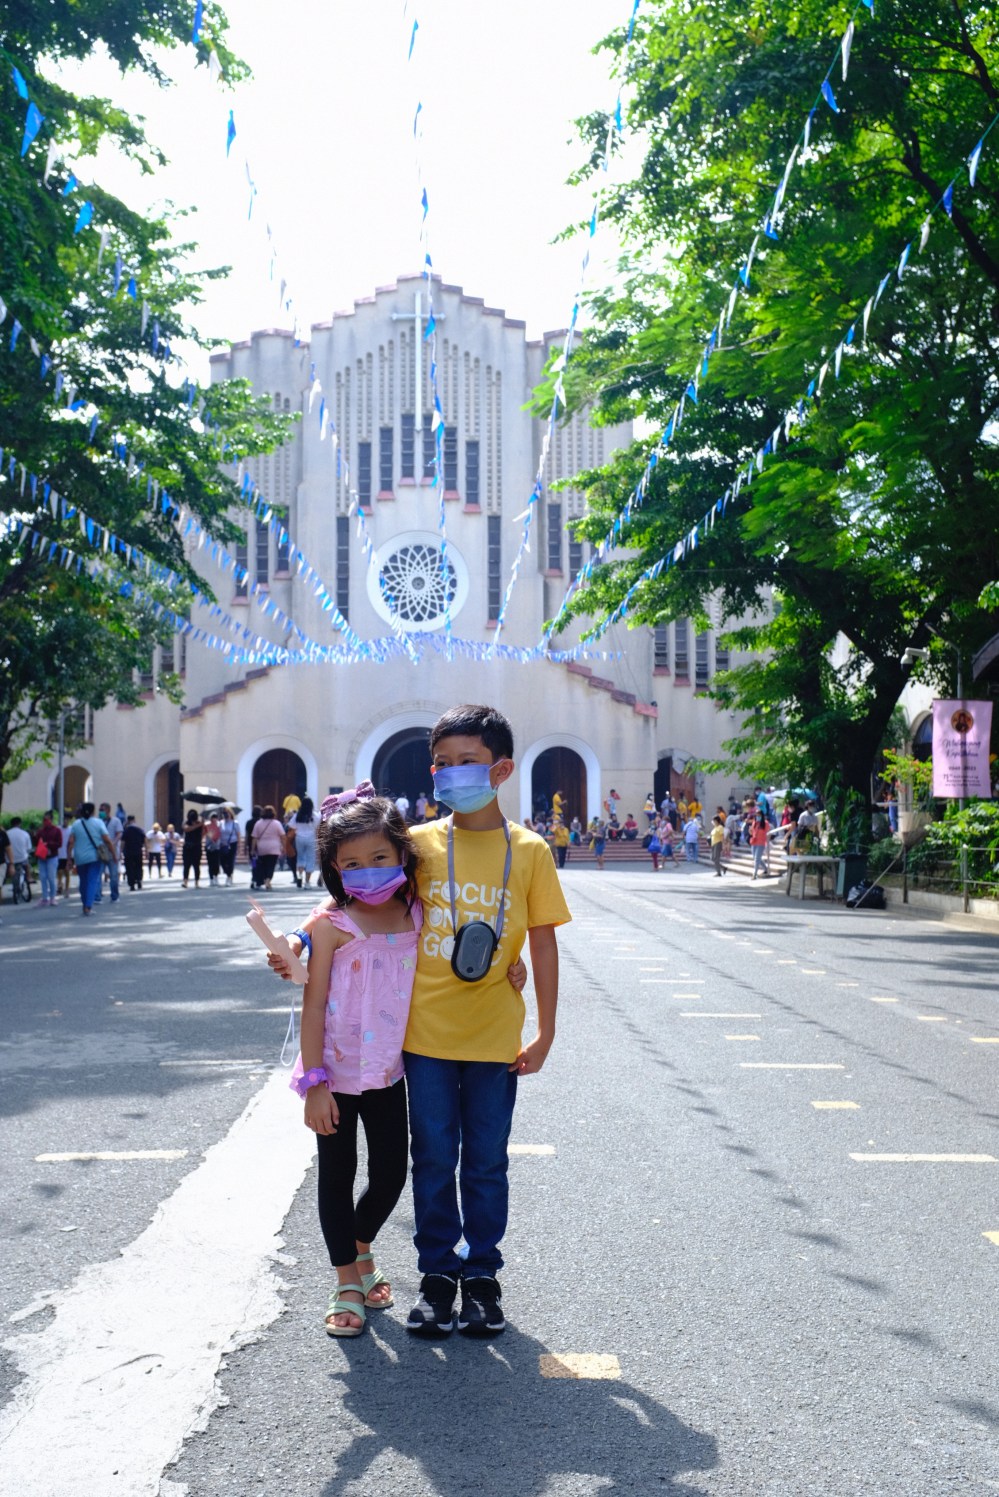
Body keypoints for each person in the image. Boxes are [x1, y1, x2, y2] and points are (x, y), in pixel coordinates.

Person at [276, 705, 569, 1340]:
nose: (453, 773)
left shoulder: (530, 851)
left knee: (486, 1161)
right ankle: (437, 1276)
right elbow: (354, 888)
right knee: (432, 1160)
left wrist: (545, 1030)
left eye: (469, 761)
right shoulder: (422, 845)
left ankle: (482, 1276)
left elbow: (543, 943)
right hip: (422, 1039)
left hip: (495, 1036)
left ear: (501, 769)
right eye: (443, 763)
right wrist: (298, 938)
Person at [290, 790, 422, 1337]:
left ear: (402, 855)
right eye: (351, 864)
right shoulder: (331, 925)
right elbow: (313, 1003)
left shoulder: (420, 913)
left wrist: (513, 971)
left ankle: (361, 1246)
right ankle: (347, 1278)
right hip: (336, 1075)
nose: (367, 871)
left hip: (390, 1073)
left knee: (391, 1175)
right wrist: (314, 1083)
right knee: (336, 1176)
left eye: (379, 858)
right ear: (333, 868)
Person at [67, 802, 115, 915]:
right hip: (94, 857)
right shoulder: (98, 823)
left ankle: (84, 903)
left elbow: (70, 842)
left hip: (79, 858)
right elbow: (107, 840)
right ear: (93, 811)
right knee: (92, 881)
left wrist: (69, 858)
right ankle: (88, 906)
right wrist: (113, 854)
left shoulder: (76, 824)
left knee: (83, 881)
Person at [251, 805, 285, 890]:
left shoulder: (258, 823)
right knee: (271, 865)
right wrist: (284, 847)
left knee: (263, 865)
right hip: (274, 848)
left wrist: (252, 849)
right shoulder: (277, 823)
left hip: (262, 848)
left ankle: (265, 879)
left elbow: (254, 837)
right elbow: (282, 836)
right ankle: (268, 880)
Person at [97, 803, 122, 904]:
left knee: (114, 875)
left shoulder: (116, 821)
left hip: (112, 851)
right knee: (98, 875)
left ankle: (114, 896)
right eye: (100, 810)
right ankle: (97, 896)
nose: (100, 812)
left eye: (102, 810)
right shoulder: (97, 822)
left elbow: (119, 833)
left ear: (108, 810)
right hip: (100, 851)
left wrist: (113, 843)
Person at [36, 812, 62, 906]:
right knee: (43, 877)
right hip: (42, 856)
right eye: (44, 820)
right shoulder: (40, 831)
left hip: (52, 856)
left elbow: (59, 843)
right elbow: (36, 842)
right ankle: (44, 897)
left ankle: (52, 897)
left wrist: (49, 844)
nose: (45, 822)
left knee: (51, 877)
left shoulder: (56, 830)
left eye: (47, 819)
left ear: (51, 820)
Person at [7, 818, 32, 896]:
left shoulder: (7, 833)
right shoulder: (25, 834)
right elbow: (29, 848)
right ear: (20, 824)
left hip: (9, 859)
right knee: (27, 864)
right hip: (22, 858)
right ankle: (29, 877)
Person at [121, 815, 146, 890]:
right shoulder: (139, 829)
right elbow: (145, 840)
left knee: (129, 867)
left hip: (128, 852)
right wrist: (147, 850)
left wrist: (121, 851)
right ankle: (139, 879)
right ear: (134, 820)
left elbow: (123, 842)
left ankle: (131, 884)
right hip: (138, 851)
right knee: (138, 866)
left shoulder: (126, 830)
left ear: (128, 821)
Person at [182, 810, 204, 888]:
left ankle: (196, 882)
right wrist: (199, 825)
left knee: (197, 866)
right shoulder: (186, 823)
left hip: (197, 847)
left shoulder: (200, 823)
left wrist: (202, 822)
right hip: (187, 847)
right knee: (186, 865)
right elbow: (186, 829)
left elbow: (203, 833)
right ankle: (185, 882)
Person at [218, 807, 240, 884]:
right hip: (222, 844)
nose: (226, 815)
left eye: (227, 813)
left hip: (232, 843)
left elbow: (238, 834)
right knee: (222, 861)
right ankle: (227, 873)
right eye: (224, 813)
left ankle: (229, 876)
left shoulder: (235, 823)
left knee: (230, 861)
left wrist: (239, 845)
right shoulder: (221, 823)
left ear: (230, 814)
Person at [749, 810, 771, 879]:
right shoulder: (754, 822)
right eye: (756, 815)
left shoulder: (765, 823)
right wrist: (750, 831)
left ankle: (754, 874)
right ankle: (765, 868)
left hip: (761, 843)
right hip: (754, 842)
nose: (757, 817)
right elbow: (752, 832)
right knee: (756, 858)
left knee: (757, 858)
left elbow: (768, 833)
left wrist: (768, 842)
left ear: (762, 816)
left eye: (759, 815)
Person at [204, 811, 223, 886]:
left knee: (216, 863)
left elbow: (220, 835)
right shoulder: (207, 825)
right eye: (213, 817)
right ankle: (211, 878)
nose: (214, 819)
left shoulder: (219, 826)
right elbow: (206, 834)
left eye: (215, 817)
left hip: (217, 847)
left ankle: (216, 877)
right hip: (209, 847)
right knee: (210, 863)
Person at [245, 805, 262, 887]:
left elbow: (247, 835)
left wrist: (245, 846)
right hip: (260, 845)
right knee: (260, 863)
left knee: (254, 863)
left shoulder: (249, 822)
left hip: (251, 845)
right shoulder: (261, 822)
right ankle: (259, 879)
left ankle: (254, 878)